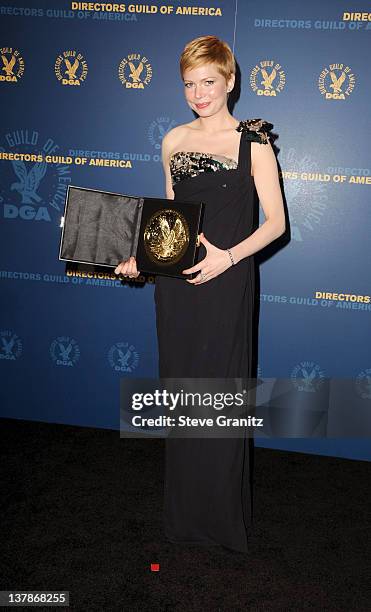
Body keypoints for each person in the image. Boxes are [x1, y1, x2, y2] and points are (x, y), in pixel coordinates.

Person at [115, 35, 285, 552]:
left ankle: (222, 523)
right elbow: (168, 224)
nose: (198, 93)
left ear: (230, 81)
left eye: (209, 81)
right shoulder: (173, 140)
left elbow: (277, 224)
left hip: (227, 283)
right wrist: (140, 262)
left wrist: (228, 258)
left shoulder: (252, 142)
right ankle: (186, 520)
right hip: (179, 290)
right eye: (189, 84)